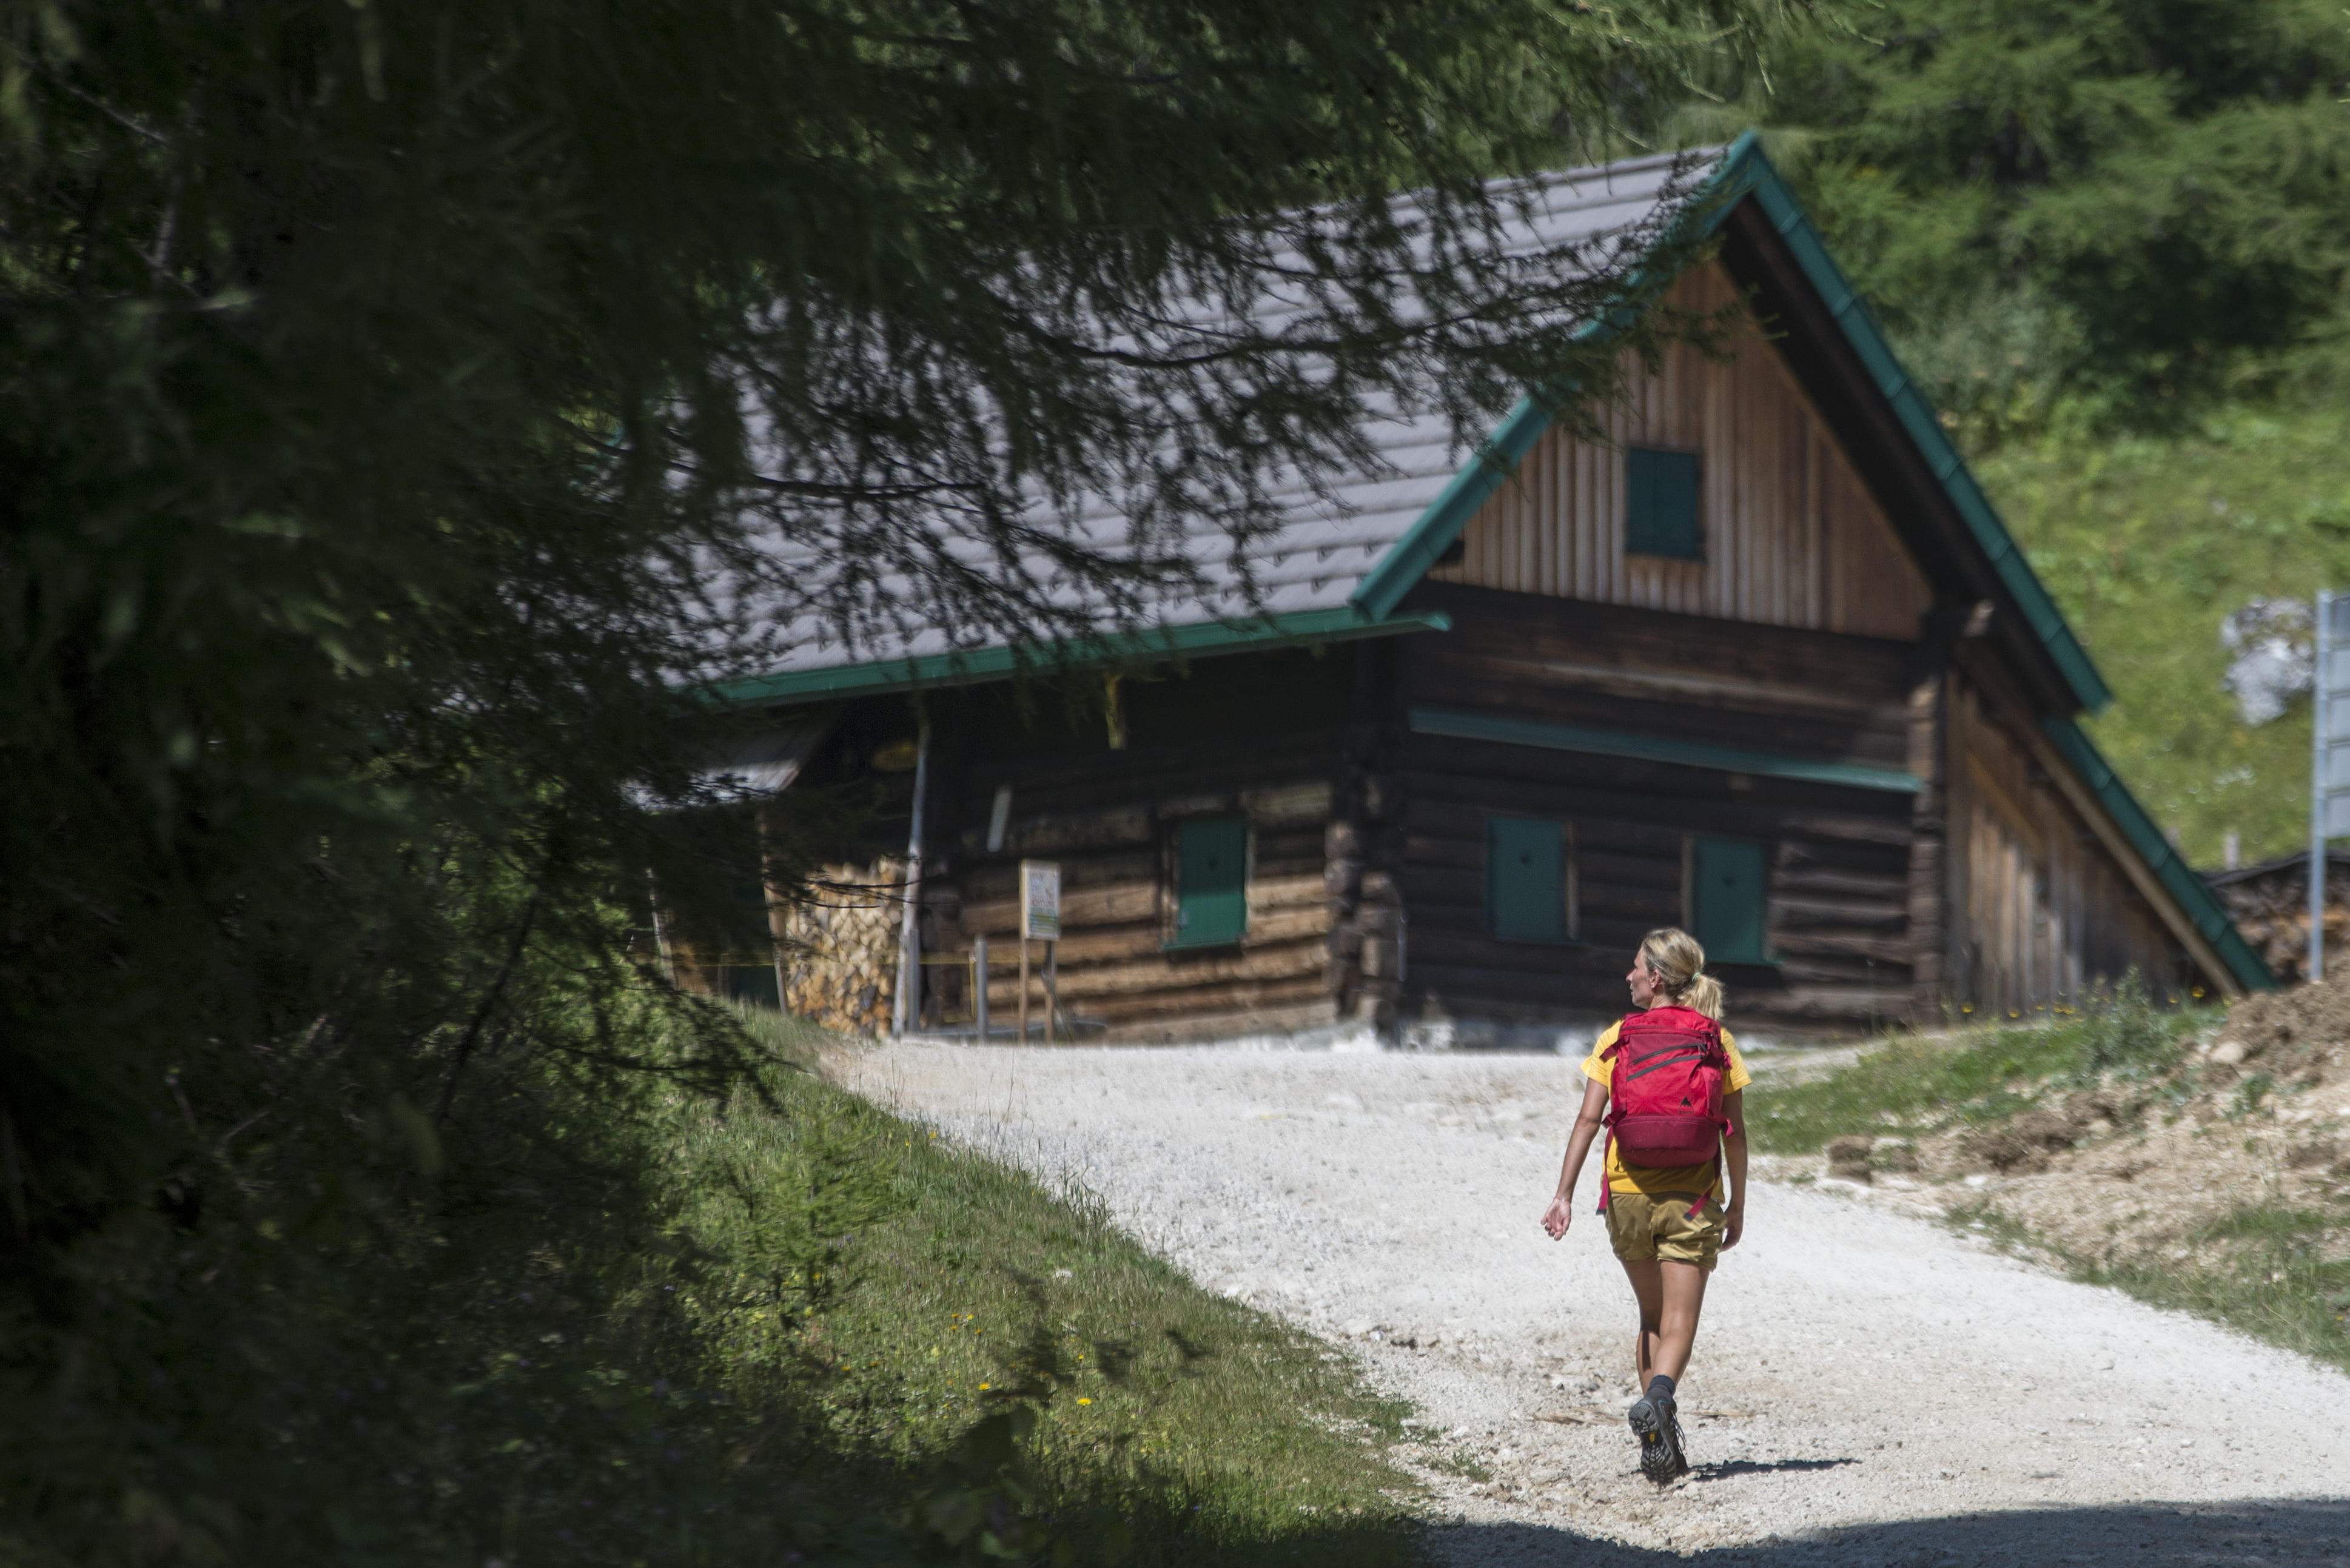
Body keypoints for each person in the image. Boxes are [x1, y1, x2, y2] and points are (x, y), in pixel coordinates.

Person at [1541, 927, 1749, 1483]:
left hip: (1627, 1196)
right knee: (1680, 1320)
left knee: (1651, 1316)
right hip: (1693, 1198)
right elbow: (1734, 1134)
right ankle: (1659, 1401)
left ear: (1656, 978)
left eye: (1635, 967)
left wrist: (1562, 1195)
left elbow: (1588, 1121)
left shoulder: (1617, 1037)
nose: (1628, 975)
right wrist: (1738, 1206)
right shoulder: (1714, 1039)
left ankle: (1658, 1443)